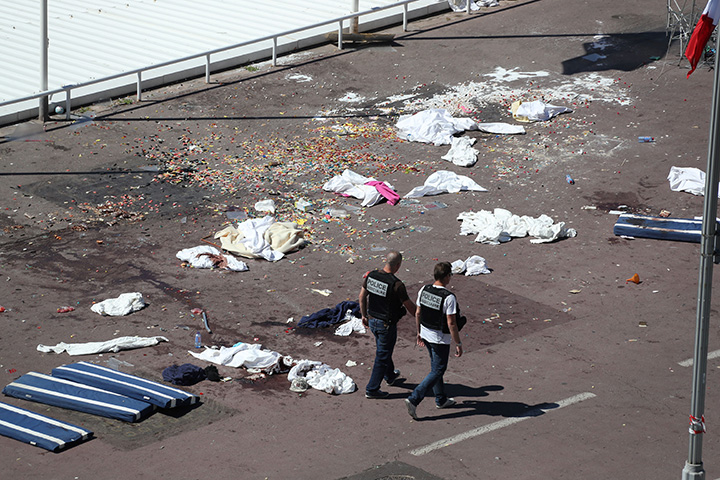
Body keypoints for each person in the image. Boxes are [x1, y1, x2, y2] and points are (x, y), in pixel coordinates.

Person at [405, 261, 464, 419]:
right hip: (439, 339)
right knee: (438, 370)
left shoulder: (424, 289)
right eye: (450, 275)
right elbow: (451, 323)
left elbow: (418, 313)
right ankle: (414, 398)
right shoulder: (449, 297)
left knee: (435, 368)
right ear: (446, 277)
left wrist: (418, 332)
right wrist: (458, 343)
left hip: (425, 333)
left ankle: (441, 399)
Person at [359, 250, 416, 399]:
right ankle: (372, 389)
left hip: (372, 319)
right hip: (386, 324)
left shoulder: (371, 275)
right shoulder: (397, 285)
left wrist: (364, 315)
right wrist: (422, 317)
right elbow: (410, 306)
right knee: (382, 355)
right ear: (398, 265)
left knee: (384, 349)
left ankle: (389, 375)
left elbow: (362, 296)